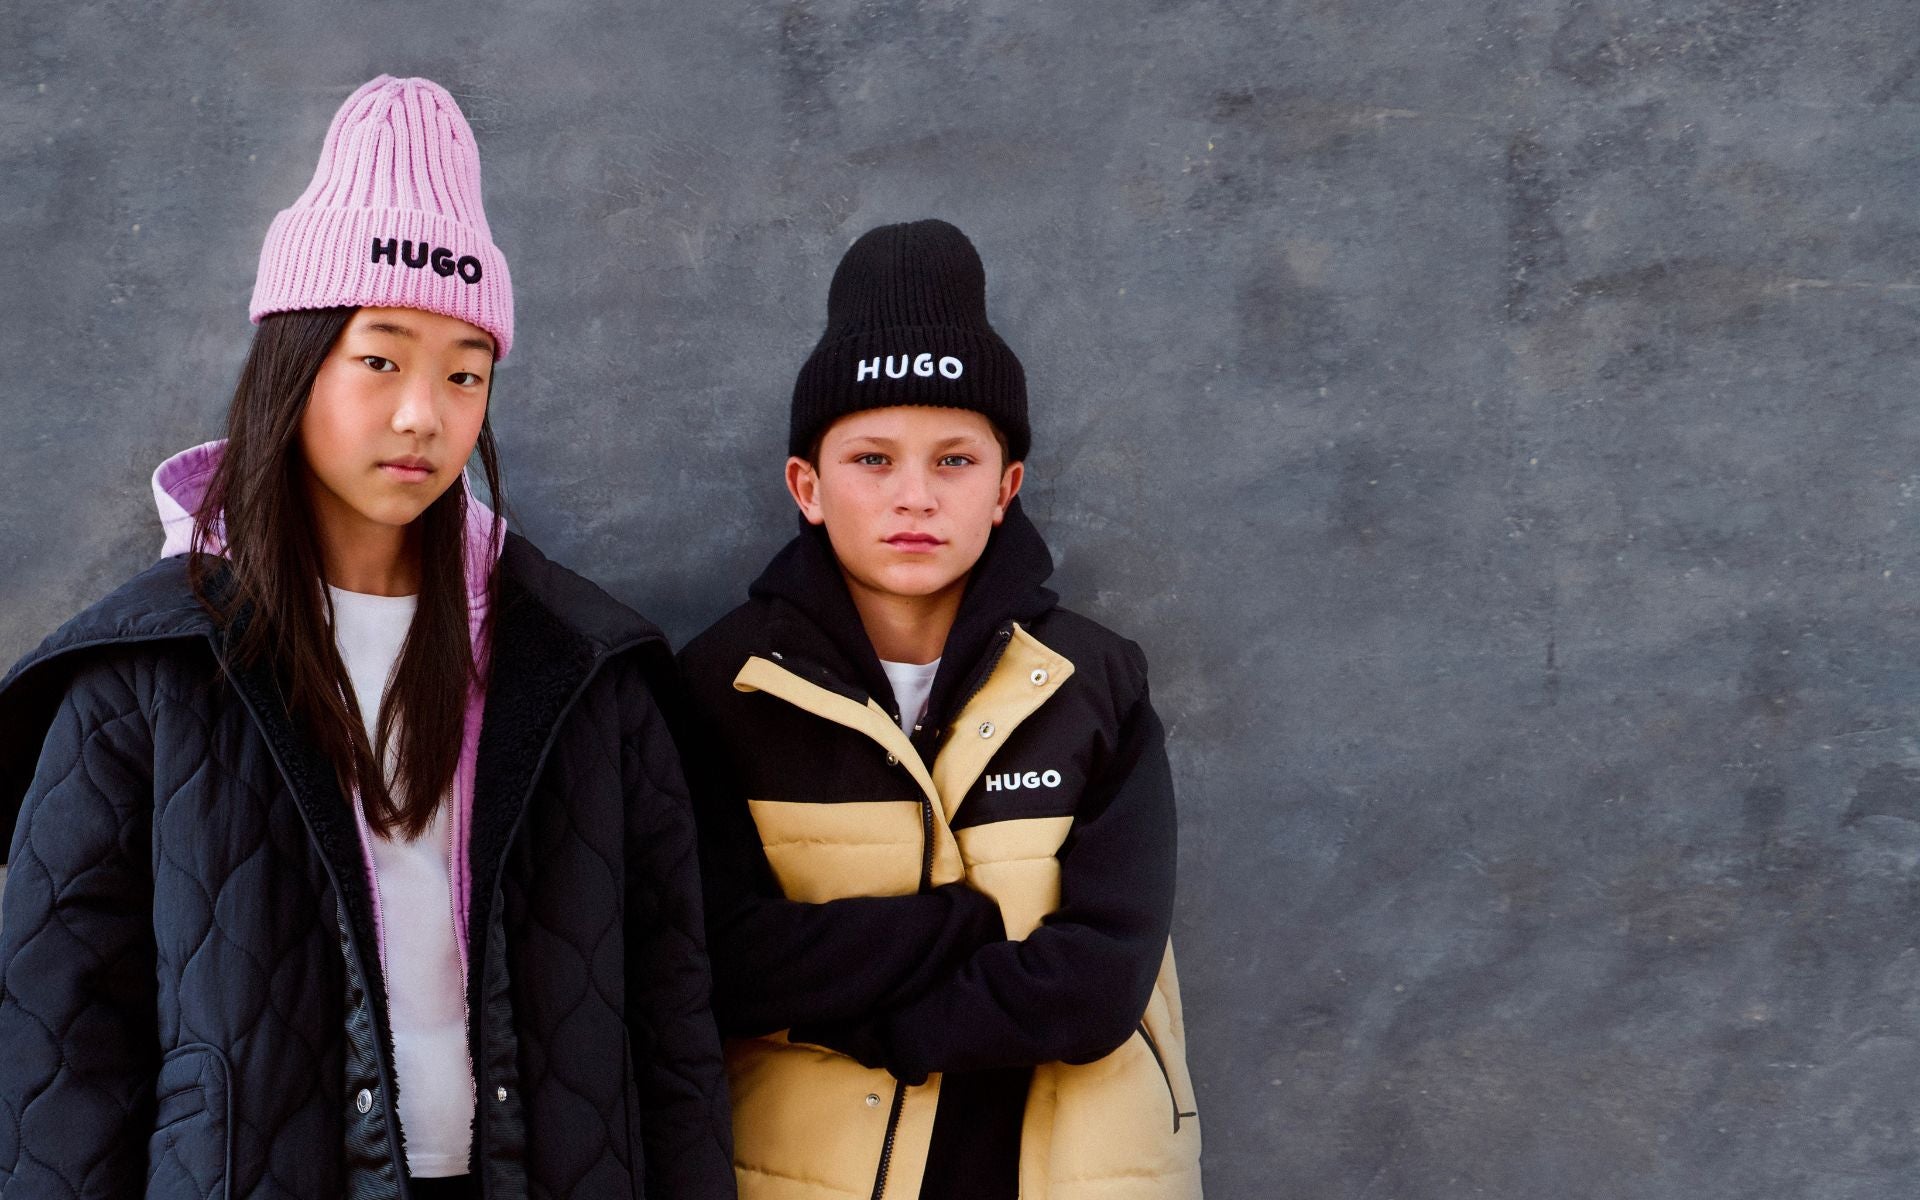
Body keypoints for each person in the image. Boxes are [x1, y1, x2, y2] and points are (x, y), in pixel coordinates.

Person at [0, 76, 733, 1198]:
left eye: (465, 373)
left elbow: (673, 1024)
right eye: (381, 358)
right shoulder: (147, 674)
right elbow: (59, 1052)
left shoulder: (583, 670)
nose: (422, 414)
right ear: (295, 364)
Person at [676, 219, 1202, 1200]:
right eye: (872, 459)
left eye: (954, 460)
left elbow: (1099, 984)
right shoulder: (723, 689)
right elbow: (719, 961)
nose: (914, 496)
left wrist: (874, 1014)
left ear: (1007, 488)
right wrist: (950, 926)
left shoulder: (1095, 683)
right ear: (807, 486)